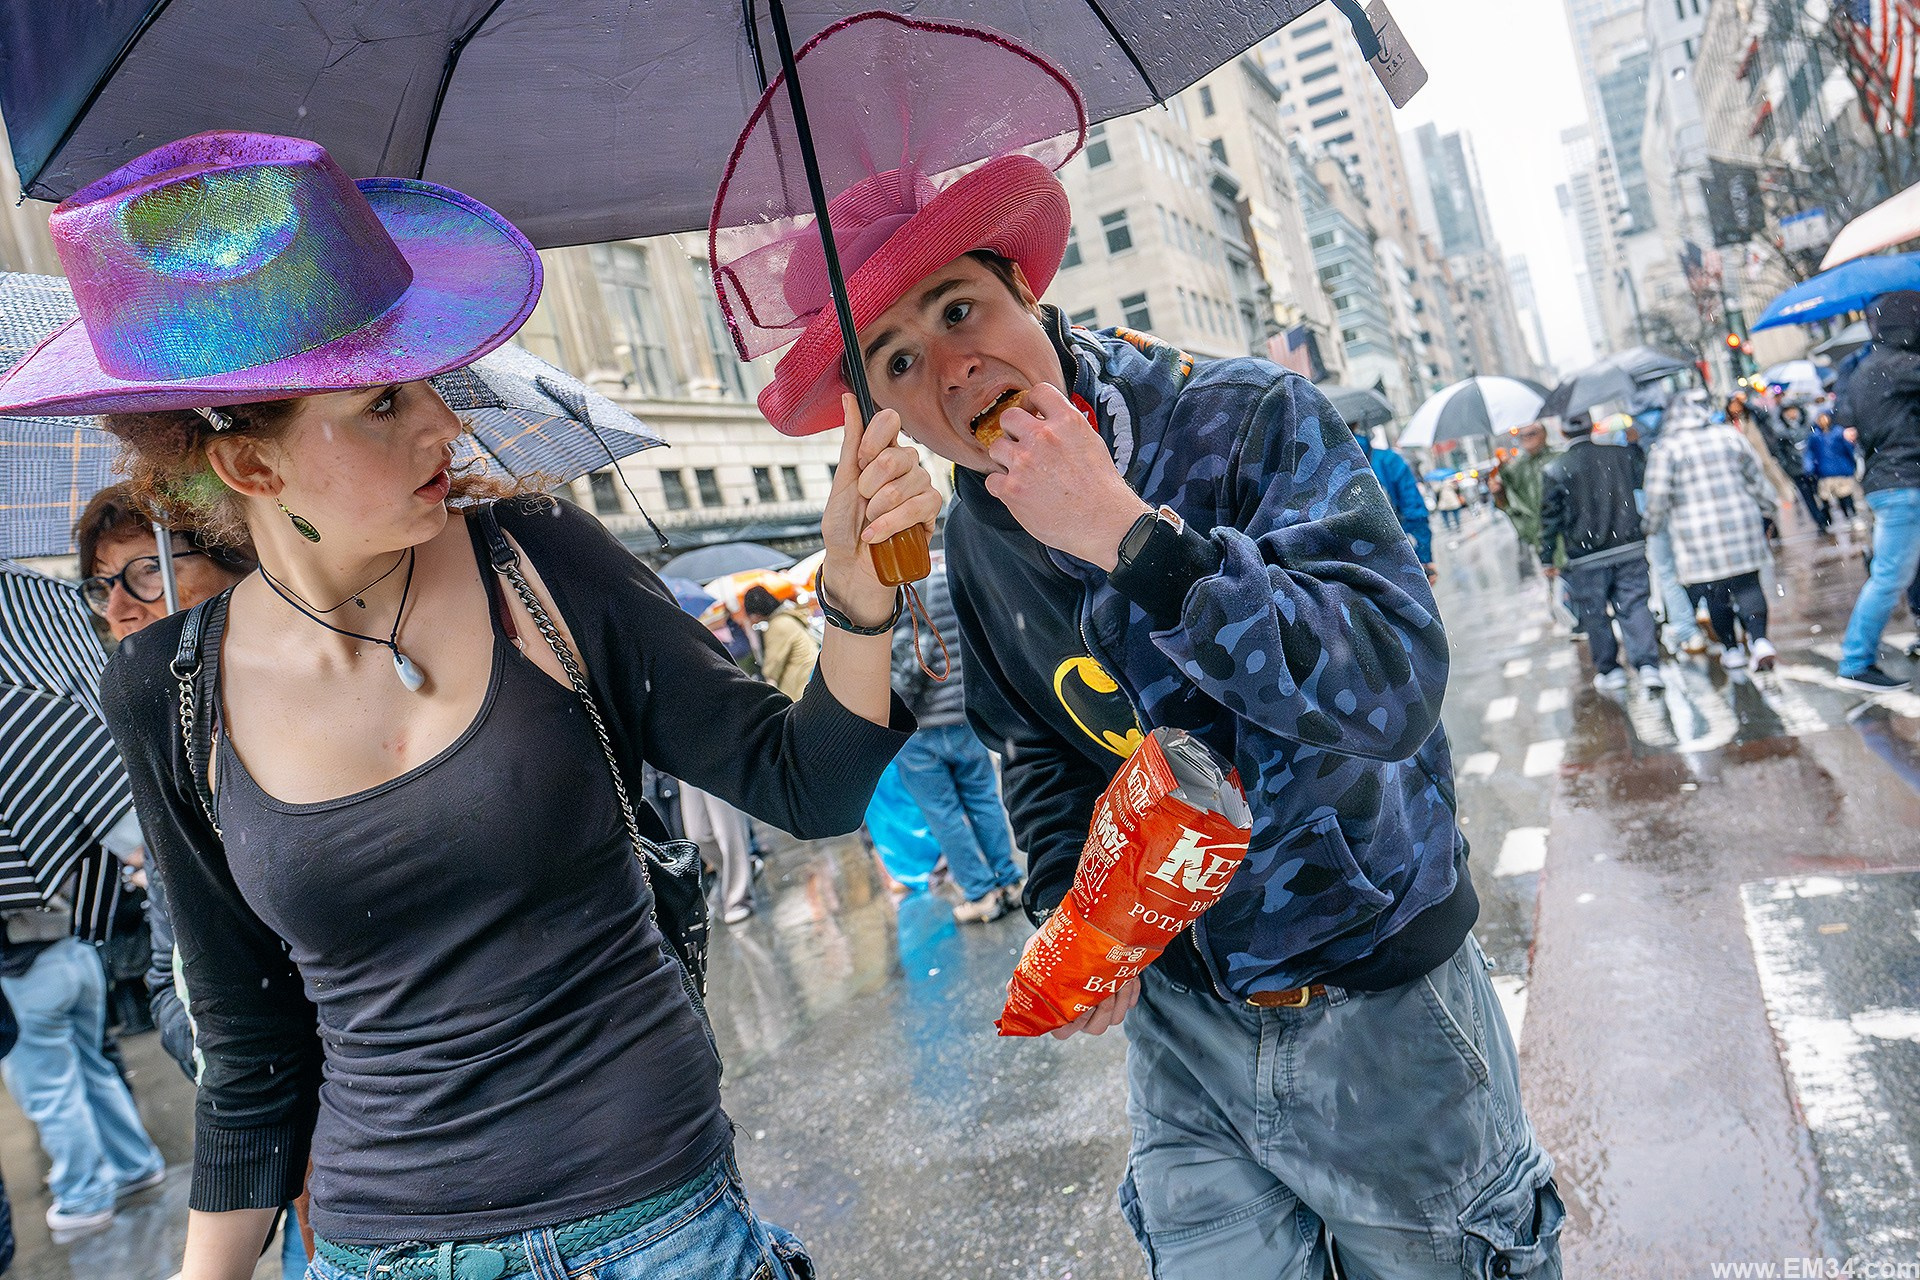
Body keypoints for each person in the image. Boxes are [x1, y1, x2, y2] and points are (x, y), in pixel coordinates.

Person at [0, 132, 938, 1280]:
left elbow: (812, 783)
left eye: (430, 386)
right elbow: (250, 1048)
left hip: (656, 1230)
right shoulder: (166, 686)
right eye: (384, 403)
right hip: (377, 1248)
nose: (444, 427)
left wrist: (854, 597)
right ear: (253, 470)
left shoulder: (541, 564)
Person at [707, 17, 1558, 1276]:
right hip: (1183, 1024)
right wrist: (1069, 910)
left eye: (961, 307)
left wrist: (1134, 543)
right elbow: (1033, 750)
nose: (952, 363)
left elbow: (1392, 684)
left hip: (1380, 1001)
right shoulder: (975, 536)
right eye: (898, 358)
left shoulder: (1246, 418)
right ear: (882, 407)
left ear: (1025, 294)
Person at [72, 485, 310, 1263]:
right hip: (314, 1164)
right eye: (103, 584)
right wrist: (267, 1106)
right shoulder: (168, 735)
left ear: (234, 552)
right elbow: (180, 981)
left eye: (146, 571)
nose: (122, 607)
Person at [888, 555, 1024, 923]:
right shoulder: (959, 576)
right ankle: (1009, 881)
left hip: (918, 728)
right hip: (965, 716)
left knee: (944, 815)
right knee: (983, 800)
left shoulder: (898, 590)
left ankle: (980, 894)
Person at [1640, 400, 1779, 671]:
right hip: (1740, 522)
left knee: (1716, 594)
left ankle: (1731, 649)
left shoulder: (1666, 450)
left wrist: (1650, 527)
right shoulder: (1728, 436)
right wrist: (1768, 508)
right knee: (1749, 584)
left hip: (1696, 535)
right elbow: (1756, 477)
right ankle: (1760, 640)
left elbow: (1656, 498)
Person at [1538, 412, 1666, 692]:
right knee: (1634, 606)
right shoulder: (1619, 456)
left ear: (1562, 432)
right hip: (1628, 545)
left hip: (1585, 557)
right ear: (1592, 426)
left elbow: (1550, 519)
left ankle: (1610, 670)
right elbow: (1642, 478)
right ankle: (1647, 666)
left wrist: (1547, 557)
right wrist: (1634, 446)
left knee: (1594, 613)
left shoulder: (1556, 469)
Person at [1833, 290, 1920, 691]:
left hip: (1890, 481)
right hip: (1905, 482)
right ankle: (1855, 661)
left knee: (1891, 574)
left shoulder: (1866, 369)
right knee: (1888, 577)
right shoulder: (1898, 365)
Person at [1355, 434, 1437, 582]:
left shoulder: (1314, 466)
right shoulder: (1387, 459)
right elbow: (1414, 510)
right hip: (1397, 558)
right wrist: (1424, 559)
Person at [1491, 422, 1553, 582]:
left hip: (1566, 533)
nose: (1527, 439)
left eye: (1532, 433)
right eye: (1522, 435)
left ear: (1543, 434)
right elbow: (1508, 501)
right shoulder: (1518, 466)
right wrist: (1499, 484)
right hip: (1542, 535)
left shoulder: (1555, 459)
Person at [743, 583, 819, 703]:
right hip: (810, 679)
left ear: (757, 613)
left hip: (801, 686)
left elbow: (772, 668)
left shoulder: (778, 626)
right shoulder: (786, 617)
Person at [1803, 411, 1861, 527]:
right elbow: (1810, 454)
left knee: (1845, 496)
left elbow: (1849, 449)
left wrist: (1853, 463)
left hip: (1840, 470)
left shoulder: (1838, 433)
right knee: (1826, 498)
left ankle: (1850, 516)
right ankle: (1829, 521)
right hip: (1825, 472)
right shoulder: (1815, 437)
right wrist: (1809, 468)